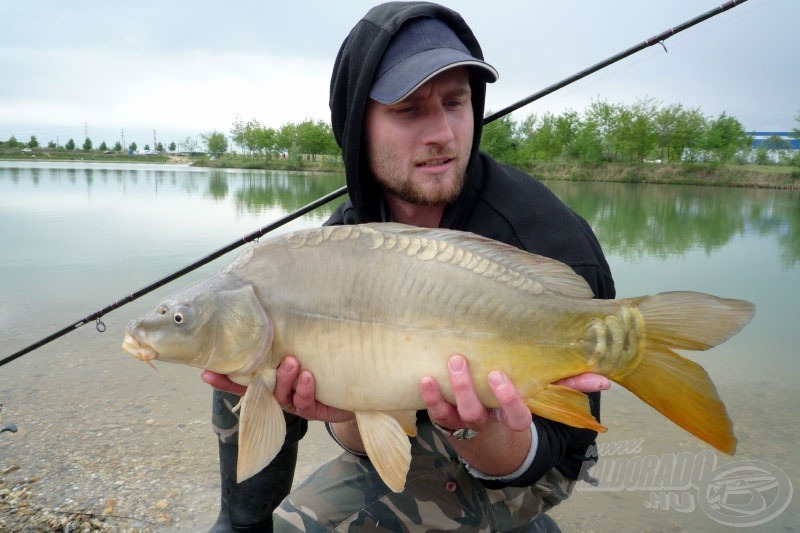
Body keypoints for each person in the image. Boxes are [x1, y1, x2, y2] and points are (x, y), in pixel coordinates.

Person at [204, 2, 616, 531]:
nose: (442, 132)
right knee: (240, 344)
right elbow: (362, 434)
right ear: (358, 124)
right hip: (404, 422)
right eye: (409, 109)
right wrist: (345, 411)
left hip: (523, 459)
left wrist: (478, 431)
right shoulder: (340, 241)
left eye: (456, 101)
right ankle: (240, 521)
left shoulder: (551, 240)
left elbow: (565, 449)